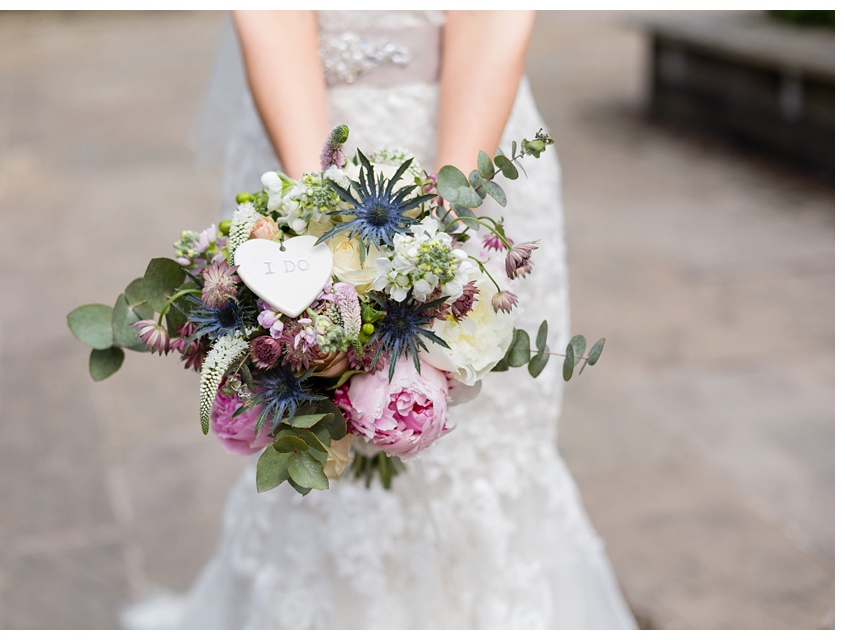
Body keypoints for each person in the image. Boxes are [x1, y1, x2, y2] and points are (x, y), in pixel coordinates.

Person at [123, 10, 637, 629]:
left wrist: (446, 232)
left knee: (481, 447)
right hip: (298, 134)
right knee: (312, 441)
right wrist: (308, 230)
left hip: (476, 138)